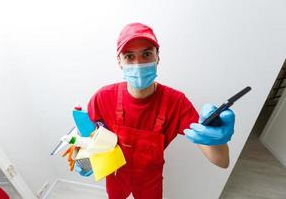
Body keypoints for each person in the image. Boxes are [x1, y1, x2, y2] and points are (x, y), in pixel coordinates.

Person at [66, 22, 235, 199]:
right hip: (115, 174)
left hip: (150, 179)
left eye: (146, 54)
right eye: (129, 56)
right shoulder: (103, 97)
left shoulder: (176, 103)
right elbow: (87, 132)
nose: (138, 64)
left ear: (157, 57)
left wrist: (217, 138)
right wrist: (81, 155)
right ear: (119, 62)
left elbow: (221, 161)